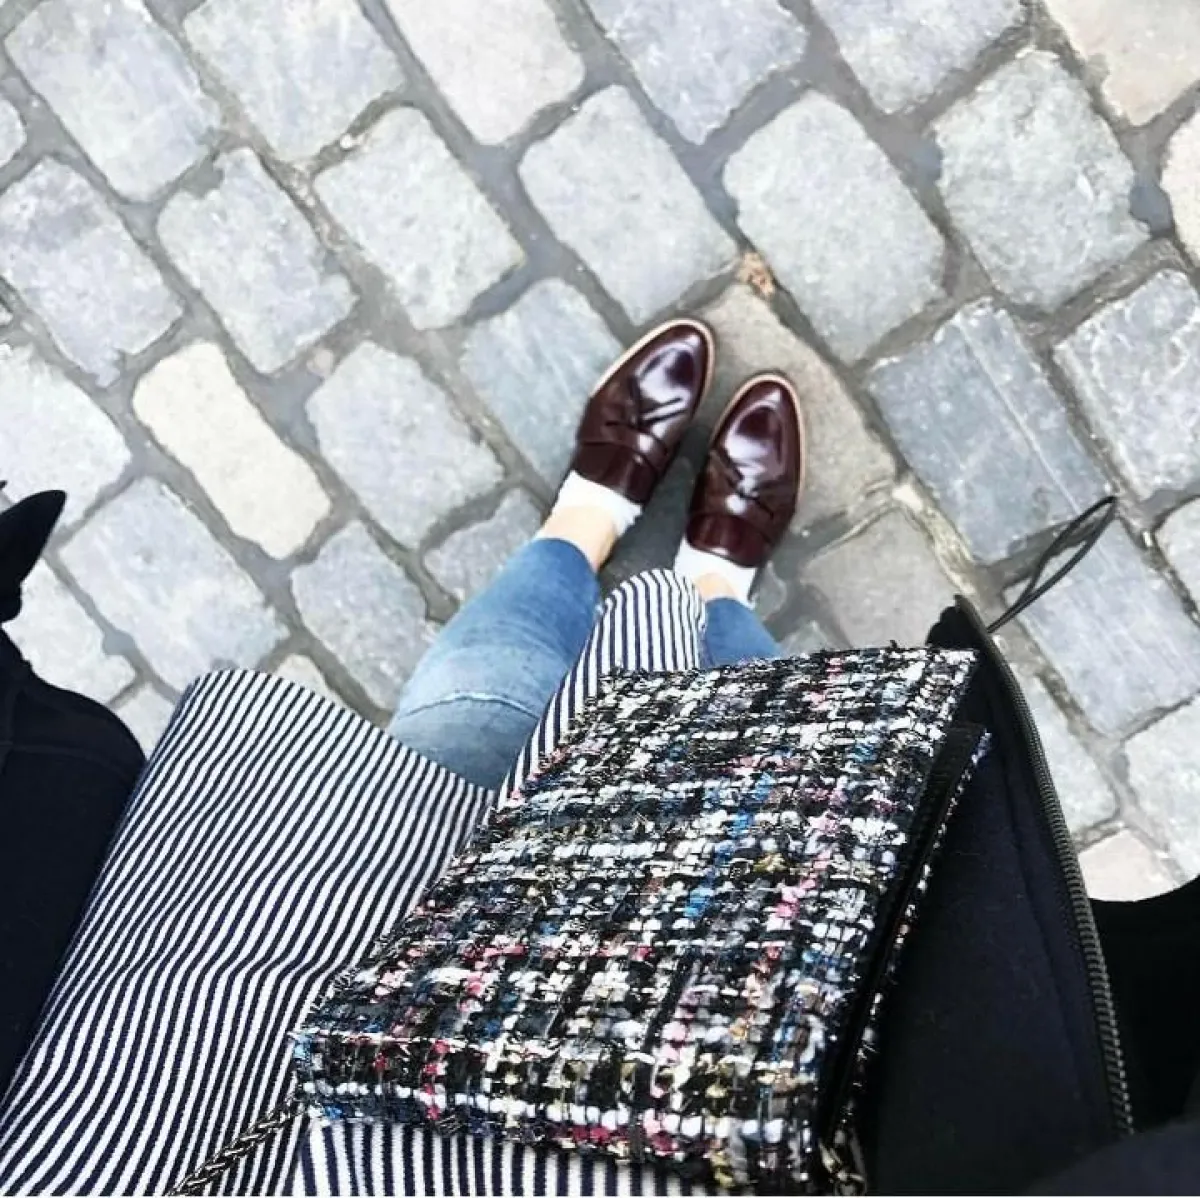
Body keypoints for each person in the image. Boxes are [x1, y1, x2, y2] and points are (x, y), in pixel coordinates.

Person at [0, 318, 1198, 1196]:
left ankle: (588, 515)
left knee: (466, 732)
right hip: (627, 1110)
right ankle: (711, 579)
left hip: (170, 1040)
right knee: (728, 767)